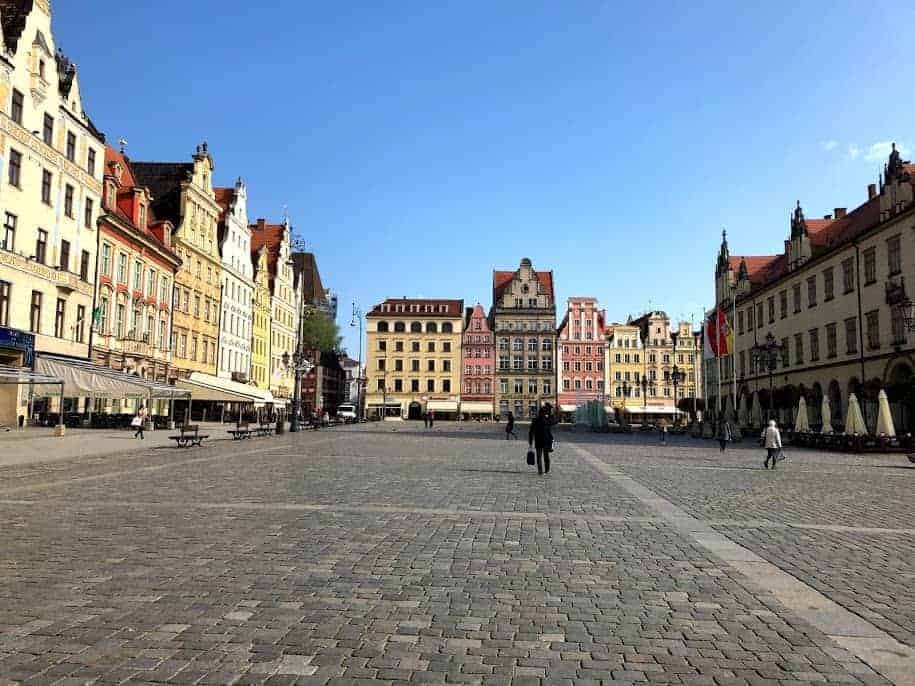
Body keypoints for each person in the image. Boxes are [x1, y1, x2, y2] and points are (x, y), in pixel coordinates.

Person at [528, 406, 554, 475]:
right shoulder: (547, 420)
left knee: (539, 457)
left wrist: (530, 442)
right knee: (546, 456)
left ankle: (540, 471)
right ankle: (546, 470)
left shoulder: (535, 420)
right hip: (546, 441)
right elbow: (554, 422)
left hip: (538, 441)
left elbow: (531, 432)